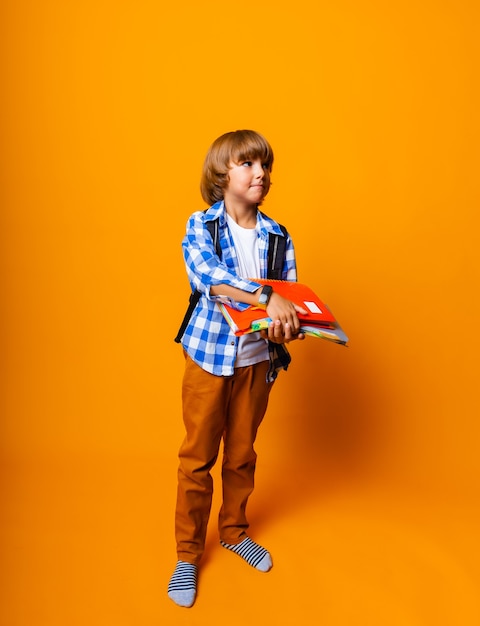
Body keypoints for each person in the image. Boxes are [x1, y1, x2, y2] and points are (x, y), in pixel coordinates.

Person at [168, 129, 306, 608]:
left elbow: (288, 299)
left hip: (256, 363)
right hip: (209, 357)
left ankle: (233, 530)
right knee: (197, 457)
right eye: (248, 164)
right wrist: (268, 296)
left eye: (264, 165)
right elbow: (210, 279)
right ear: (222, 173)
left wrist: (288, 326)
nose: (260, 173)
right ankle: (188, 555)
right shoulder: (201, 226)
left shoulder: (278, 235)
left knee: (243, 454)